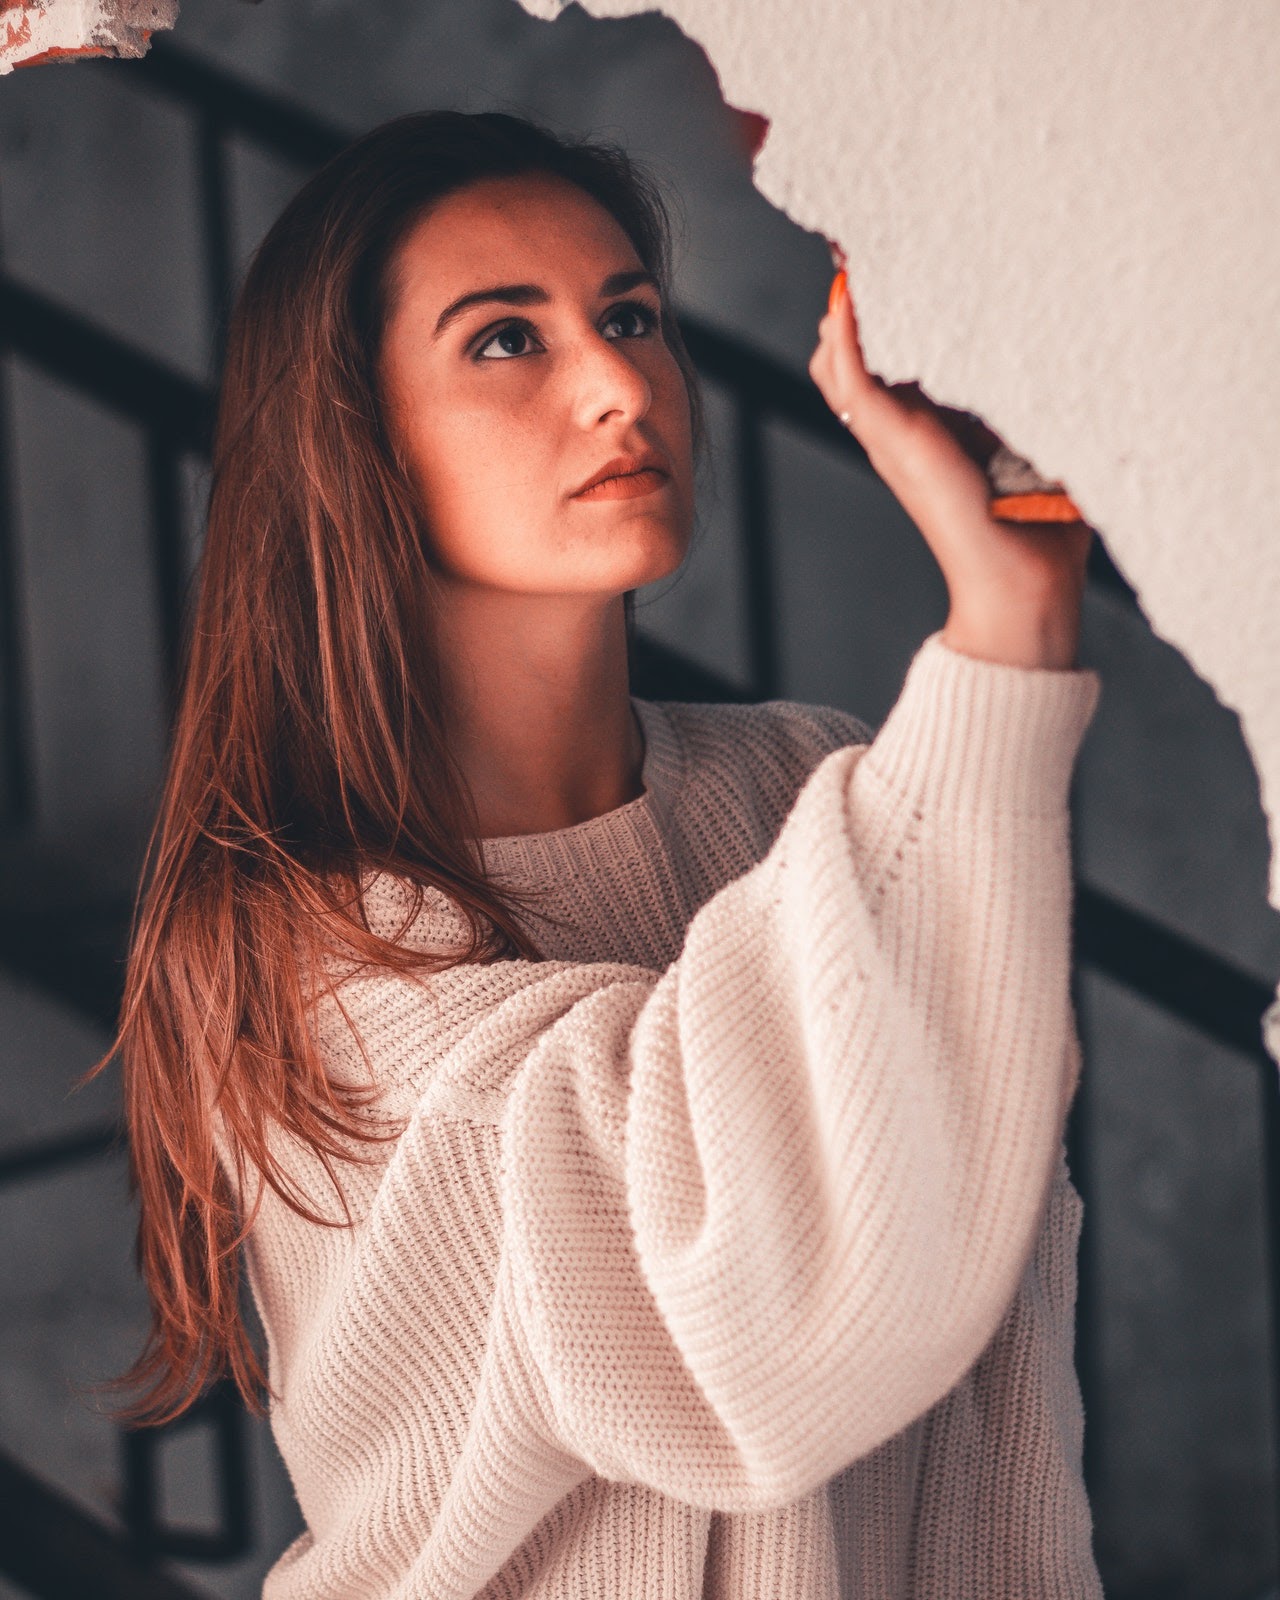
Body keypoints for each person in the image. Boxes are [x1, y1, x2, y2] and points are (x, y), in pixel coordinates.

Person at [105, 108, 1102, 1598]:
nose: (618, 382)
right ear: (355, 439)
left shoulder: (805, 789)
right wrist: (1002, 636)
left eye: (630, 313)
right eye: (506, 340)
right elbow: (772, 1311)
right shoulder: (310, 947)